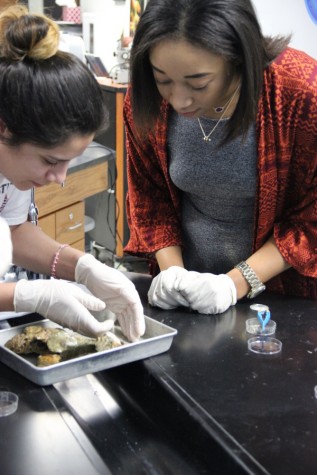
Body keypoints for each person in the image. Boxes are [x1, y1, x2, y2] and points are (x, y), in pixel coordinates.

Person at [123, 0, 317, 315]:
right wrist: (175, 276)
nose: (179, 100)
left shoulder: (302, 94)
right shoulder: (146, 99)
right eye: (163, 80)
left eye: (198, 83)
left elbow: (312, 220)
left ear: (238, 58)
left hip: (284, 295)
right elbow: (149, 196)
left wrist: (233, 284)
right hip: (189, 291)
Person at [0, 4, 145, 342]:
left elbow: (13, 229)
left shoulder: (12, 162)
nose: (60, 178)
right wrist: (23, 296)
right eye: (51, 161)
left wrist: (84, 268)